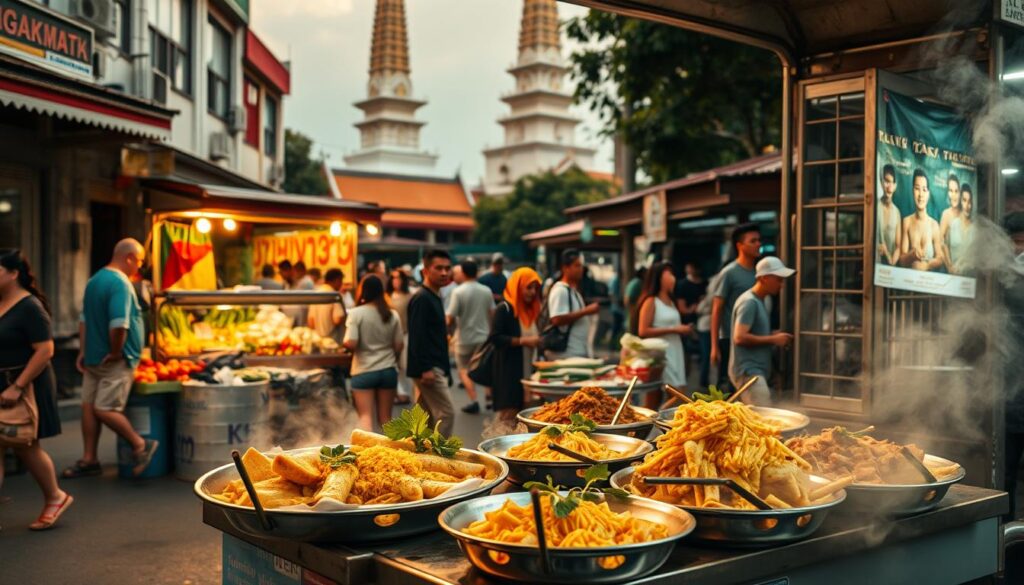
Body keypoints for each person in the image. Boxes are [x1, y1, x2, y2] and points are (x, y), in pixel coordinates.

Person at [64, 239, 158, 479]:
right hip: (115, 360)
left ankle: (89, 459)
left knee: (88, 405)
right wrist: (117, 351)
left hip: (94, 358)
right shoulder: (120, 283)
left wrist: (83, 351)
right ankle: (141, 444)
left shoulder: (94, 280)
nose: (139, 266)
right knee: (104, 408)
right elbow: (119, 324)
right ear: (128, 258)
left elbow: (83, 319)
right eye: (139, 261)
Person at [0, 250, 72, 530]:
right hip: (4, 384)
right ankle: (56, 497)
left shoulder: (30, 307)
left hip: (25, 385)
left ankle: (56, 496)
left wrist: (17, 387)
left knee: (26, 445)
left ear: (13, 274)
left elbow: (45, 350)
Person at [730, 257, 795, 405]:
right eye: (779, 280)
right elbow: (739, 337)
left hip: (756, 371)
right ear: (764, 278)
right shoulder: (749, 302)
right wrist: (774, 339)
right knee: (761, 420)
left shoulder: (762, 300)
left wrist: (773, 335)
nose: (782, 285)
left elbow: (752, 332)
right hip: (749, 371)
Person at [343, 275, 403, 431]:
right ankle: (391, 453)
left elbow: (351, 342)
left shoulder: (356, 313)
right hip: (388, 370)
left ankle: (369, 454)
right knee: (386, 419)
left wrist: (344, 344)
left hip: (364, 371)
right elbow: (399, 345)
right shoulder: (392, 314)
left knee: (365, 417)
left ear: (363, 290)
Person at [407, 250, 455, 436]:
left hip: (434, 366)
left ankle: (417, 458)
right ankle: (439, 459)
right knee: (447, 414)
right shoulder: (422, 298)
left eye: (447, 268)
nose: (444, 272)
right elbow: (417, 336)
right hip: (428, 368)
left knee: (423, 421)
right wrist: (425, 368)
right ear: (426, 271)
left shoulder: (434, 295)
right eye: (439, 268)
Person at [710, 223, 762, 392]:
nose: (758, 244)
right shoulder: (729, 272)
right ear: (739, 246)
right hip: (729, 340)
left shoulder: (758, 272)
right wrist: (714, 347)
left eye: (759, 240)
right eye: (752, 241)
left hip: (752, 338)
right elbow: (716, 309)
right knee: (730, 389)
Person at [634, 261, 693, 408]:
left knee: (673, 395)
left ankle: (659, 426)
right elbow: (643, 330)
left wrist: (682, 329)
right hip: (661, 355)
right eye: (668, 274)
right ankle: (651, 424)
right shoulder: (651, 301)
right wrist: (674, 329)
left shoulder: (671, 301)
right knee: (673, 395)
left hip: (675, 351)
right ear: (658, 277)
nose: (673, 277)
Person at [491, 268, 543, 423]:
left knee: (525, 419)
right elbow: (496, 338)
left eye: (535, 288)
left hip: (528, 373)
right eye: (528, 287)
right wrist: (523, 341)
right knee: (508, 419)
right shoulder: (504, 309)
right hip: (509, 374)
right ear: (517, 286)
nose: (532, 292)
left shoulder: (531, 311)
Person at [447, 260, 495, 414]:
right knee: (485, 367)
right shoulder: (486, 290)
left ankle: (474, 400)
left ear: (463, 273)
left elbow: (450, 317)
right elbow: (492, 313)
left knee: (463, 370)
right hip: (483, 337)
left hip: (464, 338)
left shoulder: (458, 292)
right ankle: (489, 397)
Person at [1003, 211, 1024, 520]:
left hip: (1011, 393)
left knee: (1006, 475)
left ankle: (1004, 536)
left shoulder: (1007, 277)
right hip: (1010, 394)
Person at [545, 249, 600, 359]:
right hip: (567, 354)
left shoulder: (572, 291)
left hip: (576, 352)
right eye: (577, 266)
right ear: (565, 268)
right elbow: (557, 319)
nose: (580, 270)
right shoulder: (560, 290)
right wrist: (586, 311)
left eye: (581, 266)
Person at [899, 169, 944, 271]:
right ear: (912, 191)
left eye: (924, 189)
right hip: (908, 283)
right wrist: (912, 255)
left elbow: (940, 258)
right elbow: (901, 261)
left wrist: (927, 265)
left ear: (928, 193)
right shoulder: (907, 222)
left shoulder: (934, 225)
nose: (920, 195)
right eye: (917, 188)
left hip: (928, 284)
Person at [388, 269, 414, 405]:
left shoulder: (410, 296)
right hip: (389, 337)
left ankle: (405, 392)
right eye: (393, 278)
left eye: (398, 278)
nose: (395, 281)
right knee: (393, 365)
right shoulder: (387, 296)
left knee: (404, 365)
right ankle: (399, 392)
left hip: (405, 334)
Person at [695, 269, 722, 388]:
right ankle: (705, 381)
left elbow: (699, 309)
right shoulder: (715, 290)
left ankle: (707, 381)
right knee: (708, 355)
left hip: (707, 325)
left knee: (708, 355)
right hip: (707, 326)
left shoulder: (713, 288)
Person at [307, 269, 346, 345]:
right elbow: (337, 319)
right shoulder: (334, 295)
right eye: (341, 281)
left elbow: (310, 323)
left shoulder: (316, 293)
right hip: (332, 342)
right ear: (337, 280)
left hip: (318, 342)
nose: (341, 284)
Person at [877, 164, 903, 266]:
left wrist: (892, 261)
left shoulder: (896, 212)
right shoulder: (876, 206)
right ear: (882, 183)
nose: (889, 186)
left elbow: (898, 246)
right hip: (876, 263)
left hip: (891, 269)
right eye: (887, 181)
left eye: (892, 182)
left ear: (895, 186)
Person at [945, 184, 974, 274]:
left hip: (968, 279)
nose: (967, 206)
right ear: (960, 202)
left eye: (970, 202)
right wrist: (949, 265)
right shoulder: (953, 224)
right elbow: (945, 245)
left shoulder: (975, 228)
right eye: (964, 200)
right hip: (953, 277)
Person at [939, 173, 962, 261]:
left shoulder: (965, 214)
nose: (953, 195)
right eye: (951, 191)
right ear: (947, 192)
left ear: (960, 192)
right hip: (951, 268)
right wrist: (949, 266)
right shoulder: (946, 214)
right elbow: (940, 243)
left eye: (956, 191)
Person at [623, 266, 647, 333]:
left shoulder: (636, 282)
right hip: (633, 315)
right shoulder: (637, 283)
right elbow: (627, 300)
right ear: (643, 274)